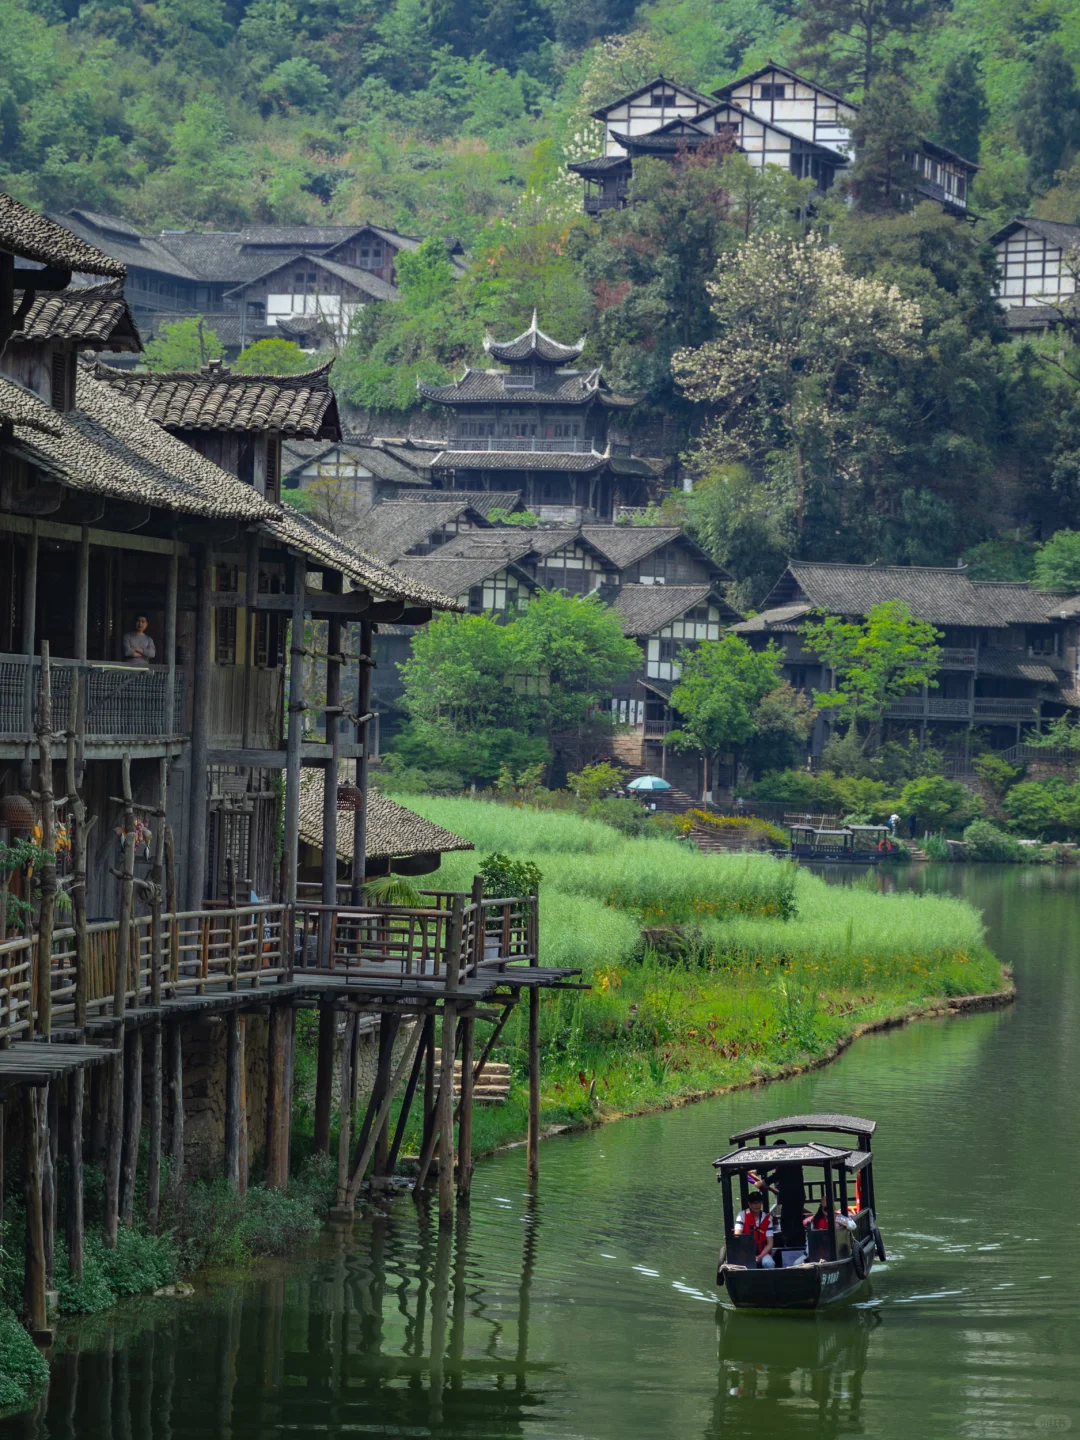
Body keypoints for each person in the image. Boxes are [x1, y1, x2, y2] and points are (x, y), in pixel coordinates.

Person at [734, 1190, 777, 1268]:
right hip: (745, 1252)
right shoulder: (742, 1215)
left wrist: (760, 1257)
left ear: (761, 1203)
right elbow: (737, 1236)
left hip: (762, 1252)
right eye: (754, 1203)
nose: (756, 1205)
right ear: (749, 1204)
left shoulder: (767, 1219)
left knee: (769, 1263)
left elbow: (770, 1244)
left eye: (758, 1203)